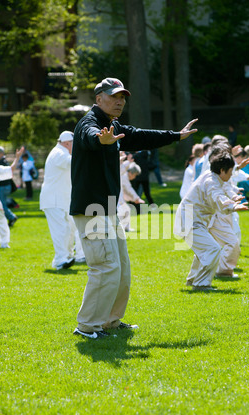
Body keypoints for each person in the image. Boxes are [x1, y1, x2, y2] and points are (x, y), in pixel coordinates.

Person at [70, 76, 198, 339]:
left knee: (121, 268)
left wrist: (176, 136)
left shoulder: (112, 125)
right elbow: (88, 137)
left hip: (107, 208)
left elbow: (139, 135)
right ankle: (87, 326)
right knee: (105, 266)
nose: (119, 101)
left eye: (122, 97)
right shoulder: (90, 124)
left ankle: (110, 321)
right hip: (92, 208)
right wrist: (100, 140)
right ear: (98, 99)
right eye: (114, 96)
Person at [174, 149, 248, 291]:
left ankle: (194, 280)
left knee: (204, 251)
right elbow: (217, 196)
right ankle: (201, 284)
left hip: (193, 220)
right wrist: (233, 206)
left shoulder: (212, 175)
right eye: (231, 170)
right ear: (222, 170)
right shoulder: (211, 182)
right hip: (190, 221)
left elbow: (224, 186)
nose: (232, 173)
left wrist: (237, 169)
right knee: (213, 249)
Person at [40, 131, 85, 270]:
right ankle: (61, 260)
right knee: (62, 231)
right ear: (67, 143)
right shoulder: (59, 153)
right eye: (74, 144)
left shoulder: (61, 152)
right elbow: (73, 163)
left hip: (59, 200)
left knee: (68, 229)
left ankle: (67, 257)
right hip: (53, 200)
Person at [0, 148, 24, 248]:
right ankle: (4, 242)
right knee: (1, 221)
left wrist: (17, 157)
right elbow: (11, 169)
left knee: (1, 220)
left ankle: (4, 242)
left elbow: (10, 169)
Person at [0, 145, 18, 226]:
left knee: (1, 205)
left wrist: (17, 158)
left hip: (3, 187)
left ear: (2, 154)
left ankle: (11, 217)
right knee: (1, 204)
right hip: (3, 187)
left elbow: (10, 171)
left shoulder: (0, 163)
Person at [118, 159, 144, 231]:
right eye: (135, 175)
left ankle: (125, 228)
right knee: (122, 211)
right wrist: (136, 198)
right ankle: (121, 228)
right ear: (130, 173)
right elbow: (128, 188)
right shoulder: (124, 176)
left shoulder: (124, 174)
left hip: (119, 197)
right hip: (117, 198)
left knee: (126, 210)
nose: (134, 177)